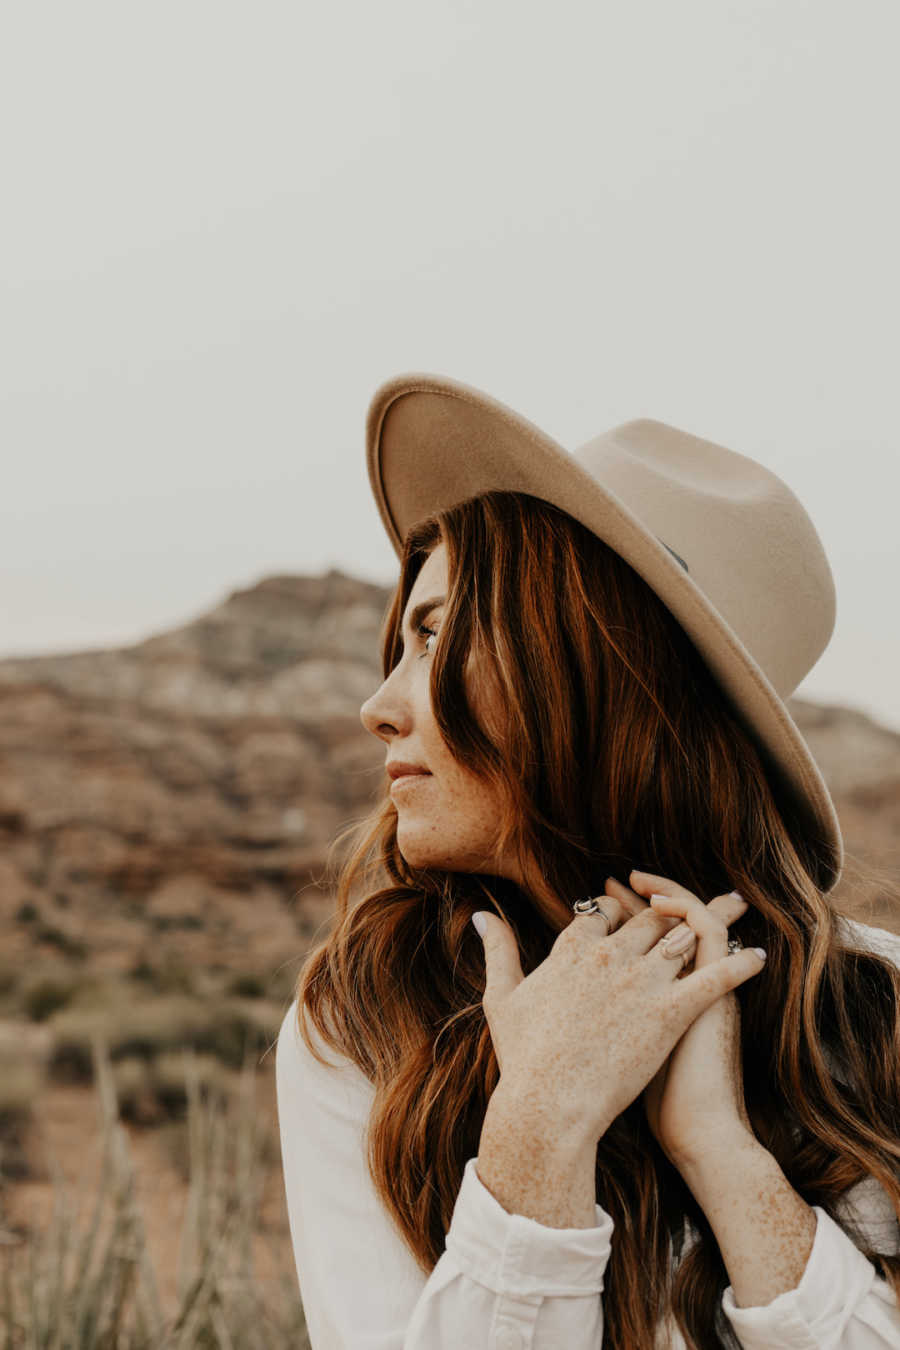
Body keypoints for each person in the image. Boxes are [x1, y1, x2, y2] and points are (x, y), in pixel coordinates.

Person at [276, 373, 900, 1349]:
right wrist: (541, 1125)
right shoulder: (362, 1022)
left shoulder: (881, 1010)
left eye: (435, 635)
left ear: (596, 669)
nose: (380, 705)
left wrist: (725, 1156)